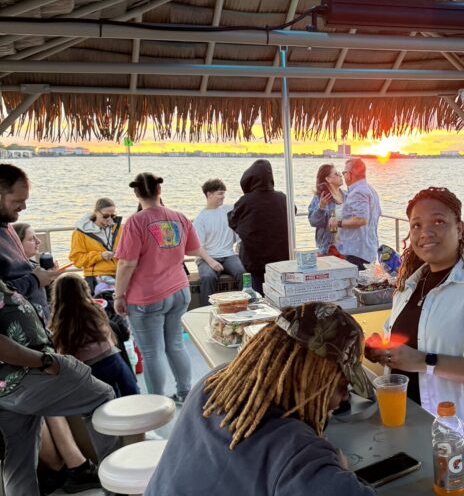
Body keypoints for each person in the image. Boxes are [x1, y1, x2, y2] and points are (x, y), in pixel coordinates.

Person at [144, 301, 376, 496]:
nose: (344, 398)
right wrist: (341, 470)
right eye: (344, 386)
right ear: (315, 382)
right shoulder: (299, 454)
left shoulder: (216, 383)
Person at [365, 187, 464, 469]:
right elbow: (407, 349)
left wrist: (424, 361)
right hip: (410, 428)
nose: (426, 232)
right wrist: (382, 351)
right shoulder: (408, 287)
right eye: (416, 225)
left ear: (460, 228)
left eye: (438, 221)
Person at [0, 279, 115, 496]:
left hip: (8, 386)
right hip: (25, 374)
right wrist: (46, 361)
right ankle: (118, 485)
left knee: (19, 460)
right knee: (103, 398)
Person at [114, 172, 203, 402]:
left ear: (136, 193)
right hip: (179, 290)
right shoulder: (180, 217)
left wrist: (118, 295)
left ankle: (155, 402)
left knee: (151, 352)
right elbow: (192, 249)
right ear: (159, 190)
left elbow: (126, 263)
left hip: (147, 297)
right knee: (175, 344)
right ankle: (185, 393)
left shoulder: (136, 221)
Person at [50, 274, 139, 397]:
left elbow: (61, 347)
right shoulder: (94, 308)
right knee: (130, 390)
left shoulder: (59, 318)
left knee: (108, 397)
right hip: (110, 357)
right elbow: (107, 331)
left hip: (88, 366)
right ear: (84, 289)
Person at [0, 164, 61, 318]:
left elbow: (13, 272)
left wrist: (39, 273)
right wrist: (35, 280)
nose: (24, 207)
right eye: (17, 201)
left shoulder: (6, 225)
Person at [228, 160, 290, 294]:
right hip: (281, 260)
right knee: (278, 297)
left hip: (254, 261)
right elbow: (292, 213)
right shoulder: (283, 198)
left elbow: (233, 221)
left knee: (256, 301)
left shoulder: (245, 201)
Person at [193, 178, 245, 304]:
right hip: (206, 257)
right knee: (208, 277)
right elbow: (198, 247)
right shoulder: (201, 219)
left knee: (242, 273)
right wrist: (211, 262)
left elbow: (245, 204)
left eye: (224, 193)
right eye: (220, 194)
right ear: (209, 194)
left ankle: (246, 306)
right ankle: (206, 310)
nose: (223, 197)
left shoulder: (228, 210)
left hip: (228, 255)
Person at [330, 158, 381, 270]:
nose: (343, 175)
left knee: (355, 285)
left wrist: (337, 223)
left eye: (343, 172)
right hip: (368, 249)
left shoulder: (358, 192)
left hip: (358, 253)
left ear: (350, 174)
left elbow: (361, 220)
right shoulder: (370, 190)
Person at [69, 198, 123, 293]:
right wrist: (100, 255)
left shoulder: (119, 228)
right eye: (105, 216)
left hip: (121, 273)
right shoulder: (80, 233)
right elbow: (77, 259)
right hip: (96, 276)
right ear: (96, 212)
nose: (110, 219)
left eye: (113, 215)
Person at [11, 222, 52, 321]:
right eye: (31, 239)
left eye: (36, 237)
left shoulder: (33, 266)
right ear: (17, 243)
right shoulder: (15, 272)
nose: (38, 242)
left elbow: (45, 301)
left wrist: (50, 279)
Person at [307, 164, 346, 255]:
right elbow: (313, 222)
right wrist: (321, 207)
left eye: (340, 173)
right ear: (328, 179)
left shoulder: (347, 196)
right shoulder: (320, 197)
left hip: (347, 249)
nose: (341, 175)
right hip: (328, 249)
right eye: (336, 174)